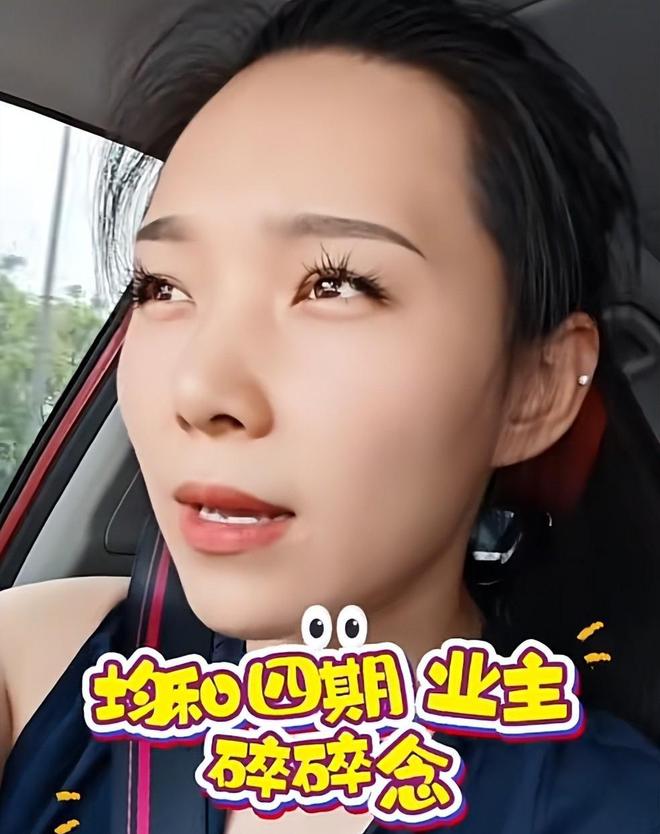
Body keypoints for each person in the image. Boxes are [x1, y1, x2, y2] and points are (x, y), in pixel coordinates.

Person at [1, 0, 659, 831]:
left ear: (536, 388)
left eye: (336, 284)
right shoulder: (38, 662)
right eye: (162, 286)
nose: (200, 390)